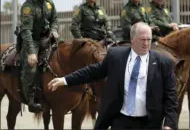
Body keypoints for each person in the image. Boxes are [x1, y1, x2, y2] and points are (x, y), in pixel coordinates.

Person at [48, 22, 178, 130]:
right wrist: (65, 80)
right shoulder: (116, 56)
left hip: (149, 123)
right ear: (132, 39)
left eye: (149, 39)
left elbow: (171, 96)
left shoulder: (163, 63)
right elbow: (92, 71)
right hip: (121, 121)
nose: (146, 43)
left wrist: (169, 124)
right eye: (142, 39)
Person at [20, 0, 59, 113]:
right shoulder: (28, 6)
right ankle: (30, 99)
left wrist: (54, 30)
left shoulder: (49, 2)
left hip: (48, 36)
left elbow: (55, 19)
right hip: (33, 40)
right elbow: (26, 31)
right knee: (30, 67)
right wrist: (31, 52)